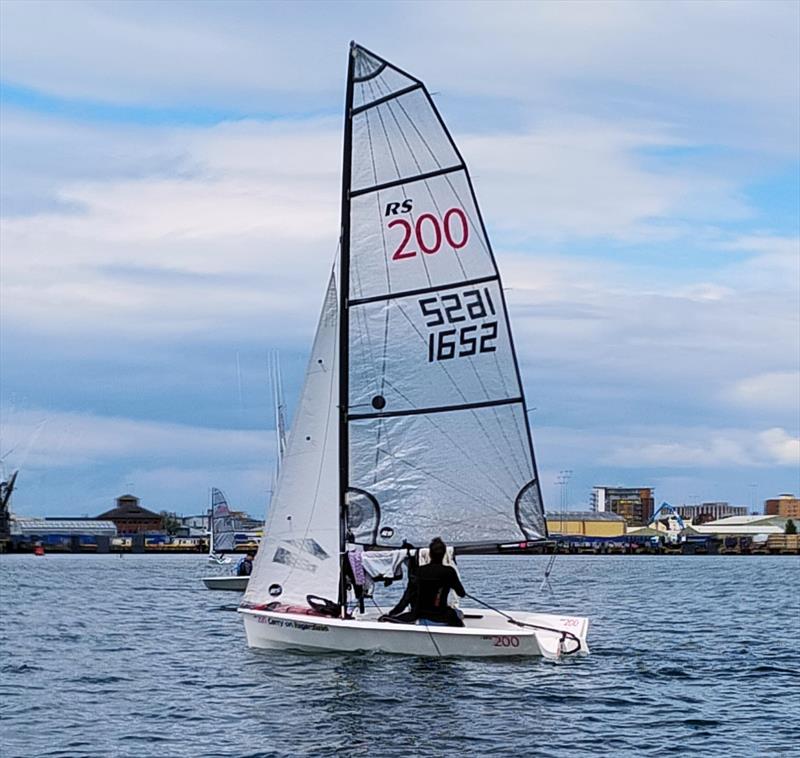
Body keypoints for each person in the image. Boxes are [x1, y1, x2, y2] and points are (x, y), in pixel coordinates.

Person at [411, 538, 466, 627]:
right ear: (444, 554)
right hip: (442, 615)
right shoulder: (449, 571)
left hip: (422, 615)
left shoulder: (419, 571)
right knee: (459, 614)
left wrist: (393, 612)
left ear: (430, 554)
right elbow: (461, 593)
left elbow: (409, 595)